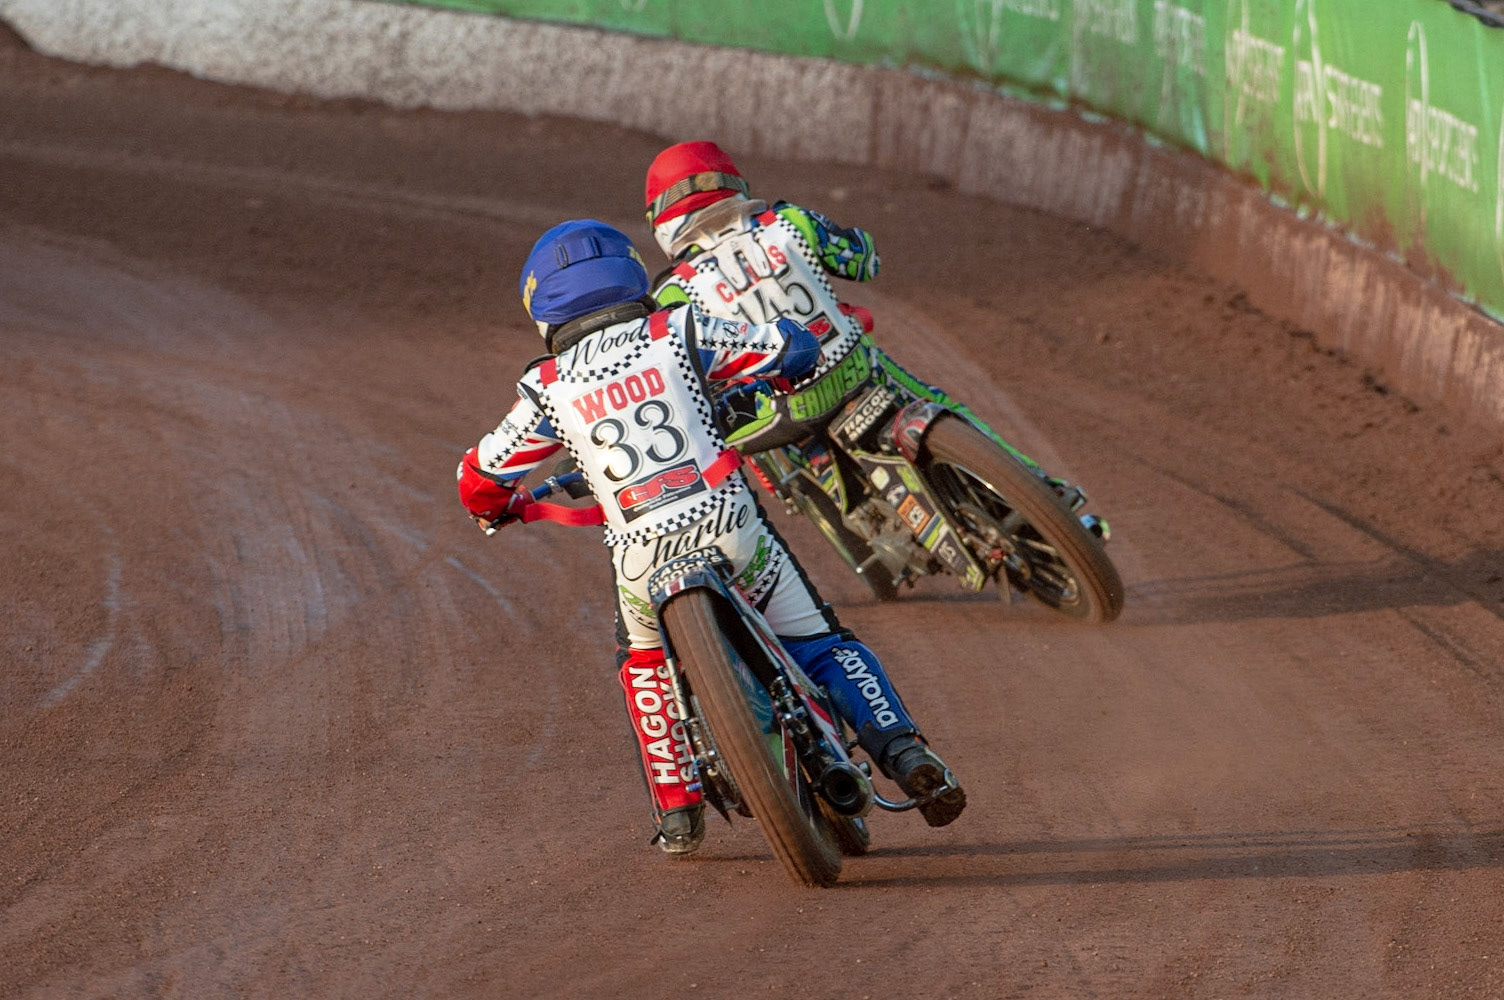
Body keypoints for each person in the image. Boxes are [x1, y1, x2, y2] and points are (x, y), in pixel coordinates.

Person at [456, 220, 966, 856]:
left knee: (643, 664)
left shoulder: (546, 388)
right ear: (630, 274)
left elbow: (478, 477)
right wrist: (785, 363)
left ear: (542, 308)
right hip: (728, 528)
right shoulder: (679, 329)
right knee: (819, 641)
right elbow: (783, 347)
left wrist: (502, 504)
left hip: (640, 560)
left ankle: (676, 807)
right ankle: (903, 748)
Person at [644, 139, 1039, 461]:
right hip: (856, 369)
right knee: (938, 402)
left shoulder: (674, 290)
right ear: (732, 183)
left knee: (774, 461)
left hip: (787, 412)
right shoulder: (788, 221)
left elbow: (681, 377)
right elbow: (865, 262)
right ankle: (1046, 487)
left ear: (661, 221)